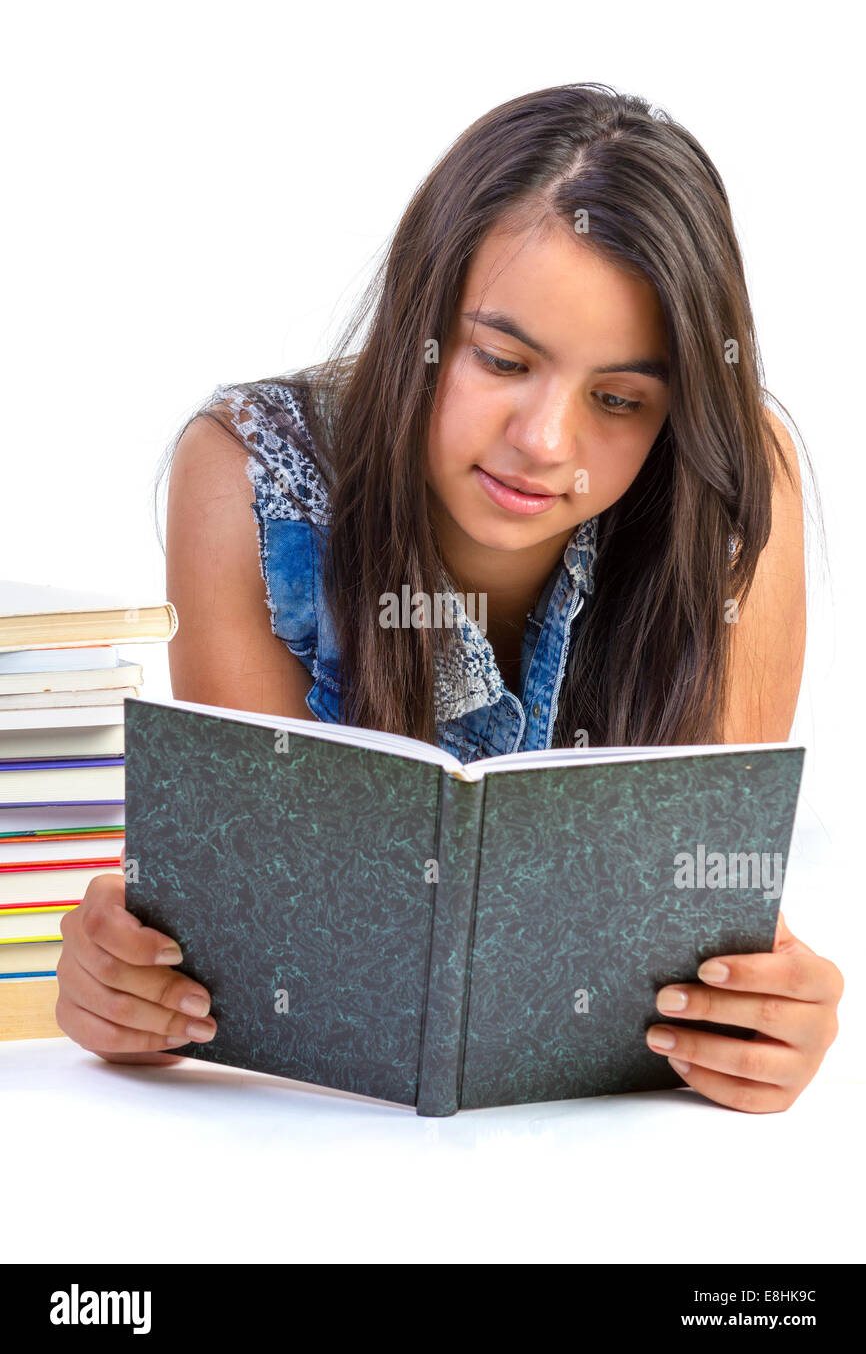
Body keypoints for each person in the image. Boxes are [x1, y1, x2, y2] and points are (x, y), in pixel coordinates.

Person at [56, 82, 843, 1111]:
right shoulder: (251, 475)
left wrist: (767, 1014)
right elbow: (254, 952)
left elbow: (711, 924)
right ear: (416, 320)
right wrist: (136, 990)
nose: (543, 442)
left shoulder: (729, 484)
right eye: (501, 359)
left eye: (618, 400)